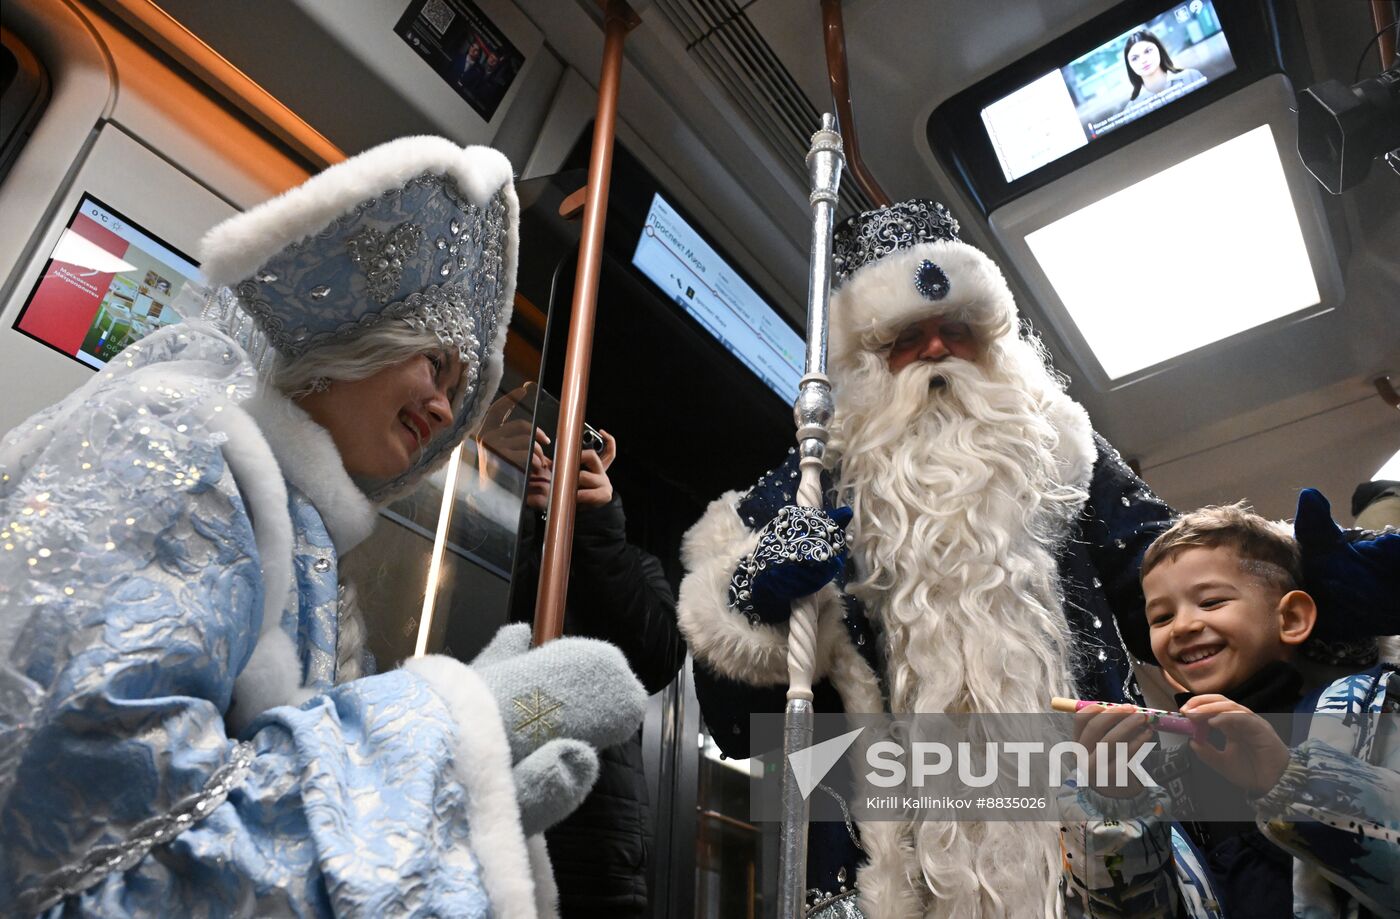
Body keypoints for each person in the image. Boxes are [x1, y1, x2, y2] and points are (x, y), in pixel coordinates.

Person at [0, 136, 648, 917]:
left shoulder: (308, 555)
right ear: (361, 336)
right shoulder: (181, 450)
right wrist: (445, 730)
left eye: (457, 391)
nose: (443, 407)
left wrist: (458, 798)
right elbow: (73, 856)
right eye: (433, 363)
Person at [676, 199, 1179, 918]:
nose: (938, 349)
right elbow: (732, 723)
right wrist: (753, 601)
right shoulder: (811, 487)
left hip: (1099, 858)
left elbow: (1185, 578)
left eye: (958, 328)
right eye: (908, 336)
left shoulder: (1063, 455)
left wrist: (1291, 589)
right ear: (867, 359)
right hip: (887, 875)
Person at [1059, 501, 1399, 918]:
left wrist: (1290, 781)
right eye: (1161, 617)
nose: (1182, 626)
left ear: (1291, 618)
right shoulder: (1160, 768)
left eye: (1211, 602)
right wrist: (1114, 812)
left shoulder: (1373, 713)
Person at [505, 424, 685, 917]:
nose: (543, 466)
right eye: (535, 453)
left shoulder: (628, 559)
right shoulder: (492, 538)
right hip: (498, 808)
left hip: (597, 837)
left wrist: (598, 526)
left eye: (556, 455)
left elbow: (659, 658)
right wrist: (515, 503)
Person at [1121, 29, 1204, 108]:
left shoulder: (1191, 76)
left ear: (1159, 49)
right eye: (1135, 58)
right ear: (1129, 65)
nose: (1143, 60)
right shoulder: (1131, 107)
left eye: (1148, 51)